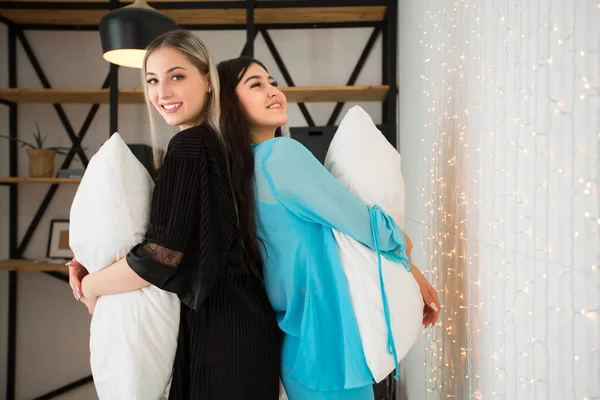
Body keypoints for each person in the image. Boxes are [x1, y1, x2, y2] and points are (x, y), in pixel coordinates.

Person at [68, 31, 282, 400]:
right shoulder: (214, 144)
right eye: (153, 80)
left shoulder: (191, 144)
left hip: (223, 337)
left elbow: (163, 255)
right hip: (242, 328)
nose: (163, 92)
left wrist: (92, 287)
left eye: (177, 76)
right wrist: (91, 261)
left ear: (208, 82)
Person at [216, 57, 441, 400]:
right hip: (327, 345)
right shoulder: (280, 155)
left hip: (300, 344)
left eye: (272, 81)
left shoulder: (241, 173)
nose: (273, 90)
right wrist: (405, 247)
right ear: (229, 104)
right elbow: (367, 226)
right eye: (255, 84)